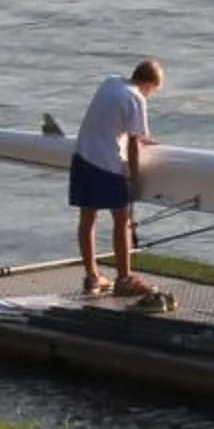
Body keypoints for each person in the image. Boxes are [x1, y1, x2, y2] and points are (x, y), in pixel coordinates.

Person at [70, 59, 162, 297]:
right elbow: (132, 144)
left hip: (82, 155)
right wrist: (135, 179)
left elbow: (112, 121)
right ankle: (124, 279)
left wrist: (140, 136)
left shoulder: (111, 82)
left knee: (87, 217)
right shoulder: (136, 98)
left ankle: (92, 276)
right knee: (122, 220)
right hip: (107, 162)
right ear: (150, 84)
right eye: (153, 90)